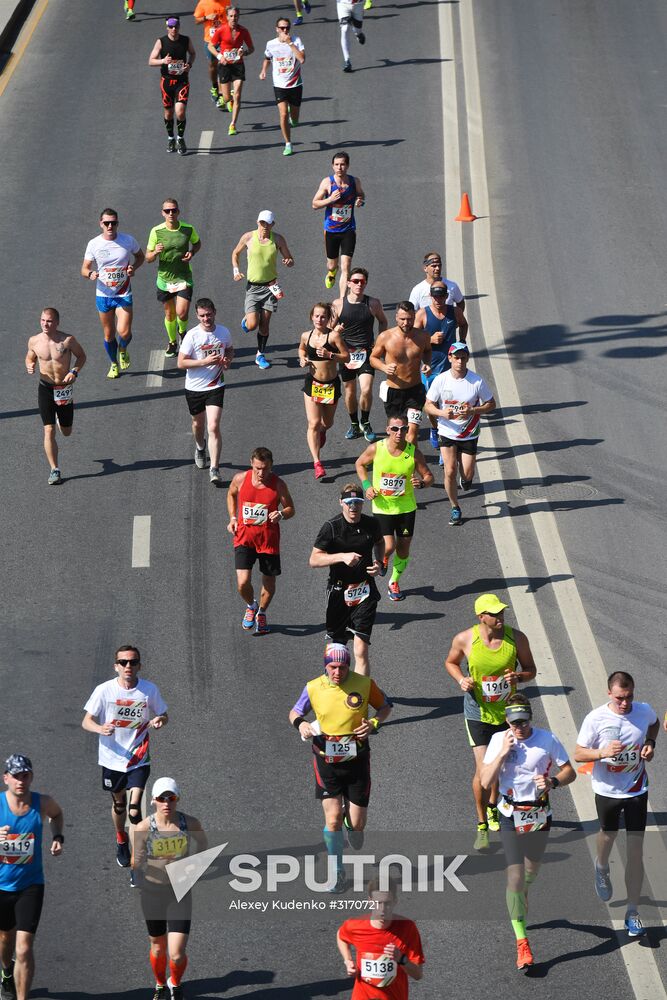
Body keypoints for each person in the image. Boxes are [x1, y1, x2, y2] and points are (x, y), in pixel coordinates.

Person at [481, 696, 575, 970]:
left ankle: (518, 898)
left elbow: (570, 772)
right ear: (507, 721)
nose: (519, 727)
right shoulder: (500, 740)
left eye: (523, 721)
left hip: (538, 815)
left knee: (530, 873)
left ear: (530, 717)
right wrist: (501, 754)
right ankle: (522, 942)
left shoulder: (547, 740)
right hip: (510, 814)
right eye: (514, 722)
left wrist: (553, 781)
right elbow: (485, 781)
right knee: (516, 876)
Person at [289, 644, 392, 892]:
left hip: (357, 762)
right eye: (333, 667)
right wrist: (301, 724)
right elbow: (294, 712)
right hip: (326, 762)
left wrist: (374, 723)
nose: (337, 672)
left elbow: (385, 706)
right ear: (325, 665)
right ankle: (338, 872)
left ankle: (352, 825)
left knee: (357, 824)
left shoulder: (365, 684)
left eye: (342, 667)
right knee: (332, 819)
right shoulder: (313, 687)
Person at [444, 594, 537, 852]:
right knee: (484, 772)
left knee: (502, 765)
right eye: (494, 613)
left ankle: (494, 808)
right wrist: (461, 679)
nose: (500, 616)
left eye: (502, 612)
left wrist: (519, 675)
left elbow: (531, 669)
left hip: (507, 712)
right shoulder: (465, 639)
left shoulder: (516, 638)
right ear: (481, 617)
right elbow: (450, 662)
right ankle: (481, 823)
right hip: (478, 712)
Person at [574, 671, 659, 938]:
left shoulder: (643, 711)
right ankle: (601, 866)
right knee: (608, 836)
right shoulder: (596, 718)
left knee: (635, 851)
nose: (626, 703)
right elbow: (578, 753)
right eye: (620, 698)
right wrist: (601, 753)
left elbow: (654, 724)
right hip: (607, 790)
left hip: (636, 788)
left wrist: (650, 742)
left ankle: (632, 913)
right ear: (609, 693)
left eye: (630, 697)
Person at [81, 646, 168, 869]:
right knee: (119, 805)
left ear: (139, 665)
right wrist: (100, 729)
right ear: (116, 666)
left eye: (132, 662)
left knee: (134, 808)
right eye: (123, 662)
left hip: (138, 757)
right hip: (112, 759)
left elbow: (163, 715)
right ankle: (121, 839)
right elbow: (86, 721)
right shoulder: (104, 690)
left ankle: (140, 852)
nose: (128, 666)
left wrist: (159, 721)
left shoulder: (149, 690)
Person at [132, 778, 206, 1000]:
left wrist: (194, 865)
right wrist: (139, 861)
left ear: (177, 799)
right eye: (162, 798)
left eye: (171, 798)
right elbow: (136, 862)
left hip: (179, 893)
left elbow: (203, 844)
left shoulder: (189, 823)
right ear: (154, 800)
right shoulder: (144, 827)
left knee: (176, 953)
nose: (167, 803)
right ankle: (159, 984)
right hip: (152, 893)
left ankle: (175, 983)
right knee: (157, 947)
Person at [0, 755, 63, 1000]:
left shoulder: (42, 803)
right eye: (16, 776)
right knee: (5, 938)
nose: (21, 781)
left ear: (31, 777)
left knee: (24, 948)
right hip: (2, 886)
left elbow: (57, 816)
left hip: (31, 885)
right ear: (6, 778)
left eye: (25, 775)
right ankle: (6, 973)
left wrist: (58, 838)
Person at [355, 413, 433, 602]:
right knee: (389, 545)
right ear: (388, 430)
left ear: (407, 430)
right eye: (395, 429)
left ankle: (394, 582)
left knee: (403, 549)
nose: (399, 432)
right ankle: (382, 559)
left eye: (404, 429)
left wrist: (422, 483)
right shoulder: (376, 448)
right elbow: (360, 464)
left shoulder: (413, 453)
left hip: (406, 508)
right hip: (382, 507)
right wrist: (367, 486)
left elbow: (429, 477)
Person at [310, 485, 385, 676]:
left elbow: (379, 542)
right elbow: (314, 559)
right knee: (337, 652)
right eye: (349, 503)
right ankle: (333, 690)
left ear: (362, 504)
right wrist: (341, 556)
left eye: (357, 503)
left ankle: (360, 696)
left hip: (365, 590)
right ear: (341, 503)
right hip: (338, 591)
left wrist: (380, 563)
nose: (353, 507)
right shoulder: (332, 527)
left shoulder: (372, 524)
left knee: (361, 650)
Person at [424, 342, 495, 525]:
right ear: (450, 358)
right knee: (449, 471)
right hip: (447, 431)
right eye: (456, 358)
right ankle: (455, 507)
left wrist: (472, 411)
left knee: (468, 474)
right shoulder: (441, 380)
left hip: (469, 433)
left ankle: (466, 480)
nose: (460, 361)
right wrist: (441, 413)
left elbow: (491, 404)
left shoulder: (476, 381)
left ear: (467, 359)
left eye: (463, 358)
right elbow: (427, 405)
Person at [226, 447, 295, 635]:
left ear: (271, 466)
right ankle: (251, 605)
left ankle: (262, 612)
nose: (261, 473)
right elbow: (231, 494)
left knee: (269, 584)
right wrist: (233, 518)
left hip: (268, 541)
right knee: (242, 583)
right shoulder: (241, 479)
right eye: (257, 468)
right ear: (251, 464)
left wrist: (281, 513)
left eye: (265, 468)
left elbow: (291, 509)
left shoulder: (278, 485)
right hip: (244, 539)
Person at [25, 307, 86, 486]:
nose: (45, 324)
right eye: (43, 320)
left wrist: (74, 371)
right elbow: (29, 357)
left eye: (49, 321)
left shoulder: (67, 340)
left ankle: (62, 421)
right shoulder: (34, 341)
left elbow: (81, 356)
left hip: (63, 389)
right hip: (45, 389)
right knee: (48, 430)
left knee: (66, 432)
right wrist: (29, 365)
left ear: (57, 323)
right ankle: (54, 469)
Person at [81, 208, 144, 379]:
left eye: (113, 223)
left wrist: (133, 268)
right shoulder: (94, 244)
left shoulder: (128, 240)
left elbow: (140, 257)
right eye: (106, 223)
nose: (110, 226)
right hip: (104, 294)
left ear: (117, 223)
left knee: (124, 332)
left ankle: (122, 348)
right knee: (109, 334)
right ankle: (114, 363)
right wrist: (90, 274)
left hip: (123, 292)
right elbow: (84, 269)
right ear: (101, 224)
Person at [337, 874, 425, 995]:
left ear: (395, 901)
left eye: (387, 903)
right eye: (378, 903)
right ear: (370, 901)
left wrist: (401, 959)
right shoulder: (355, 926)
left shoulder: (407, 928)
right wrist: (347, 960)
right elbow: (341, 935)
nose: (382, 909)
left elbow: (418, 975)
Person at [177, 298, 234, 486]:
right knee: (197, 424)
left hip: (216, 385)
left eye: (209, 314)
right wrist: (204, 362)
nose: (206, 319)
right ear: (197, 316)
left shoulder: (223, 332)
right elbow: (181, 363)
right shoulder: (192, 336)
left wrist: (227, 361)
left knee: (213, 426)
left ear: (214, 312)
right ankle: (200, 447)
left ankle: (215, 468)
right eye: (202, 316)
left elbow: (230, 350)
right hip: (194, 387)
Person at [231, 210, 294, 370]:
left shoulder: (278, 239)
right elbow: (235, 253)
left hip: (270, 287)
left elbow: (290, 259)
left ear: (273, 224)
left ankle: (260, 354)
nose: (265, 226)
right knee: (252, 325)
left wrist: (288, 261)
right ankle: (247, 320)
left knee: (264, 325)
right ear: (258, 222)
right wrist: (236, 271)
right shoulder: (248, 237)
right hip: (253, 288)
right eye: (262, 223)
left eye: (268, 223)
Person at [331, 267, 387, 442]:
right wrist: (336, 330)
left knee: (366, 388)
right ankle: (354, 424)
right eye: (355, 281)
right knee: (349, 391)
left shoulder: (373, 303)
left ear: (366, 284)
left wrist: (379, 343)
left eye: (362, 282)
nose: (358, 284)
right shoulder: (338, 304)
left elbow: (383, 321)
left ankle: (365, 421)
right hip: (346, 354)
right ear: (348, 283)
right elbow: (329, 330)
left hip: (366, 352)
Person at [413, 281, 467, 449]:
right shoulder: (423, 314)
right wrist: (430, 339)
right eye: (435, 296)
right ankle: (435, 428)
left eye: (441, 296)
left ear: (446, 296)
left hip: (449, 369)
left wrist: (462, 341)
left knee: (448, 403)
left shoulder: (455, 312)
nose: (438, 299)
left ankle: (447, 436)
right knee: (431, 404)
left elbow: (464, 324)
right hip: (430, 368)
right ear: (430, 296)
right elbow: (413, 338)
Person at [298, 302, 349, 480]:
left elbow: (347, 356)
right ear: (312, 317)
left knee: (327, 423)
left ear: (328, 319)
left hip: (330, 385)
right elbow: (302, 349)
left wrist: (331, 355)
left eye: (323, 317)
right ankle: (317, 463)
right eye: (316, 316)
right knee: (313, 423)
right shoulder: (306, 336)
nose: (319, 319)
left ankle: (323, 432)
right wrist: (302, 359)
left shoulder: (334, 337)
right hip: (313, 383)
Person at [146, 199, 202, 358]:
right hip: (165, 279)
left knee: (182, 313)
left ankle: (183, 332)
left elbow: (197, 244)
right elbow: (147, 258)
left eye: (174, 210)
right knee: (170, 314)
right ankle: (172, 342)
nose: (171, 213)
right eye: (167, 211)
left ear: (178, 212)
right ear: (162, 213)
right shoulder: (156, 231)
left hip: (184, 276)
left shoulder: (187, 229)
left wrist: (192, 252)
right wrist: (155, 252)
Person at [370, 302, 431, 446]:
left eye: (409, 319)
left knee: (412, 432)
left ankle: (410, 466)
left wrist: (427, 363)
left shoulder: (423, 336)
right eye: (402, 319)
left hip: (415, 391)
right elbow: (373, 358)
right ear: (396, 317)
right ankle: (397, 463)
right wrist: (384, 368)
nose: (406, 323)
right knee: (396, 434)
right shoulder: (385, 337)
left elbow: (427, 351)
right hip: (394, 392)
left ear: (414, 317)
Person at [312, 152, 365, 296]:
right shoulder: (327, 182)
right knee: (332, 264)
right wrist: (329, 200)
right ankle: (332, 272)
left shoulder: (355, 182)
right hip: (331, 230)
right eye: (336, 165)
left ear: (347, 166)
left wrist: (360, 201)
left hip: (348, 229)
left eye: (342, 164)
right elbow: (315, 204)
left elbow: (361, 195)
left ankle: (342, 300)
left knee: (346, 266)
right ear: (332, 166)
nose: (339, 167)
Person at [148, 16, 196, 155]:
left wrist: (189, 64)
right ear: (167, 27)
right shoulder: (161, 41)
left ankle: (180, 138)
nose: (174, 29)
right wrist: (163, 61)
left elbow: (193, 53)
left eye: (176, 26)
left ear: (179, 26)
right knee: (168, 113)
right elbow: (151, 61)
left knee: (180, 111)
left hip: (182, 81)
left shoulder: (186, 40)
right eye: (171, 26)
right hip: (167, 82)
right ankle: (171, 138)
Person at [260, 17, 305, 157]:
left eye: (287, 28)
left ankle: (294, 118)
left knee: (295, 119)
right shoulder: (270, 44)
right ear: (277, 29)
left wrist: (290, 43)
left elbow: (302, 59)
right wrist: (263, 71)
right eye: (282, 28)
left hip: (295, 84)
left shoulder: (296, 40)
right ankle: (288, 144)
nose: (285, 30)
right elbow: (267, 58)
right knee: (283, 113)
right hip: (279, 85)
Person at [208, 6, 254, 132]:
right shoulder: (221, 30)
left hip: (238, 65)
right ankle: (229, 97)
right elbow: (210, 46)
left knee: (238, 94)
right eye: (231, 16)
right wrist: (219, 56)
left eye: (236, 16)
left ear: (239, 17)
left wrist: (244, 52)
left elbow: (251, 48)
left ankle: (232, 124)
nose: (234, 18)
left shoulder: (243, 31)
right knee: (227, 98)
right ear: (227, 17)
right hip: (224, 66)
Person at [194, 0, 229, 103]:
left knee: (222, 64)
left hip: (223, 39)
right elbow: (196, 20)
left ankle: (223, 93)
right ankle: (215, 87)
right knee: (212, 66)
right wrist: (206, 18)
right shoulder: (203, 2)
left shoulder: (226, 1)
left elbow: (230, 16)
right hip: (210, 40)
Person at [336, 0, 366, 73]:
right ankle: (347, 61)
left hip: (358, 4)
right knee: (345, 29)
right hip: (343, 4)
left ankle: (358, 34)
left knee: (357, 29)